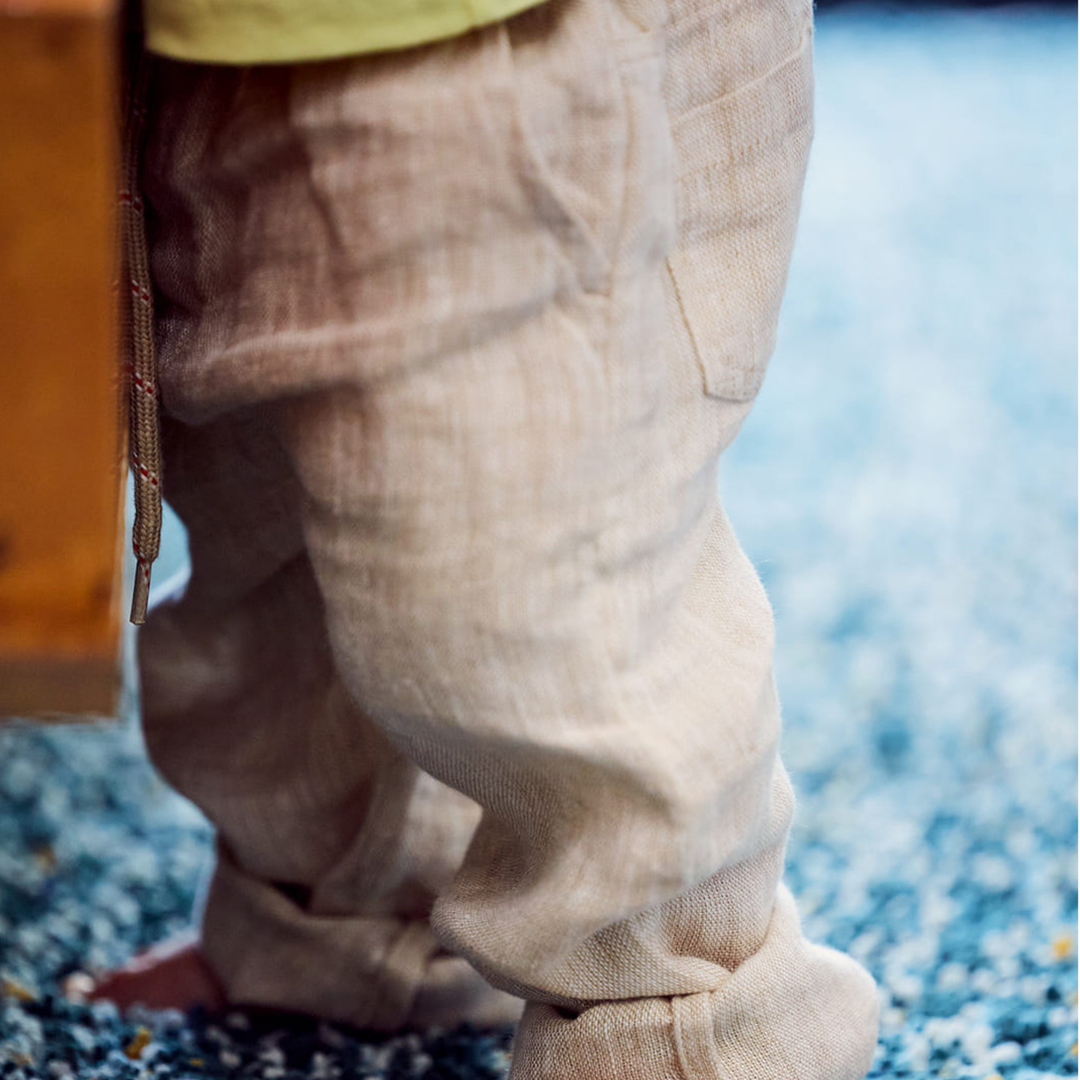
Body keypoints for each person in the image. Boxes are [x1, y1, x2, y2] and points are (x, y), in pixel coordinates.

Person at [87, 0, 881, 1075]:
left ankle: (681, 1025)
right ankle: (349, 929)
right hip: (218, 42)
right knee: (264, 530)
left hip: (497, 44)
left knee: (520, 574)